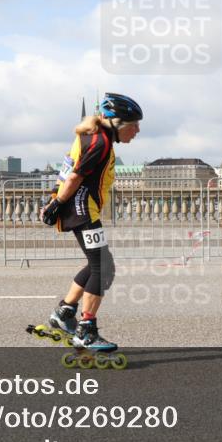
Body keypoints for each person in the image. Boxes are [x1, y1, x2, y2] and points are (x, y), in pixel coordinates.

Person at [39, 93, 143, 353]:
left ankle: (64, 312)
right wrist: (55, 204)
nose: (138, 130)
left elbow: (66, 169)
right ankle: (86, 330)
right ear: (118, 123)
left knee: (98, 262)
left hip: (81, 208)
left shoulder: (91, 136)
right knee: (103, 267)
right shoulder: (100, 142)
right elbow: (74, 176)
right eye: (134, 124)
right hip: (82, 209)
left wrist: (55, 198)